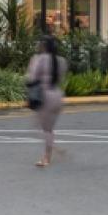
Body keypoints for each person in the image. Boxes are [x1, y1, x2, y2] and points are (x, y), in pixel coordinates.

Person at [25, 33, 68, 167]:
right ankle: (53, 148)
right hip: (57, 95)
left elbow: (31, 78)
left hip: (44, 96)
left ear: (44, 46)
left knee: (44, 129)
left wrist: (32, 64)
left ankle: (47, 157)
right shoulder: (61, 61)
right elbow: (60, 79)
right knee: (47, 128)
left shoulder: (40, 58)